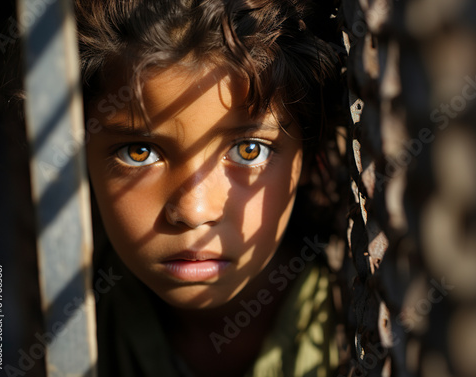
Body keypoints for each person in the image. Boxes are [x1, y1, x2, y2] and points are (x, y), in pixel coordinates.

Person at [76, 0, 346, 376]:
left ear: (309, 153)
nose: (194, 211)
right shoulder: (38, 315)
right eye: (139, 152)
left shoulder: (357, 322)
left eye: (249, 150)